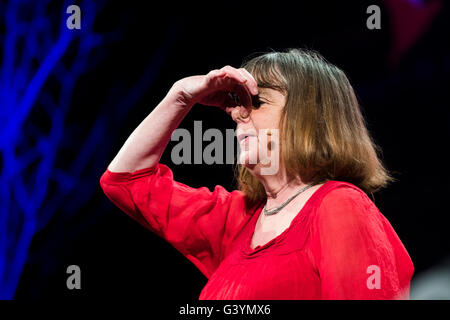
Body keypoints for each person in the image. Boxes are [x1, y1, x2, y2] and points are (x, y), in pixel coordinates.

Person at [100, 48, 414, 299]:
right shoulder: (236, 219)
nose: (237, 113)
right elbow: (125, 181)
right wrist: (181, 95)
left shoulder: (340, 205)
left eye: (257, 101)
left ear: (308, 117)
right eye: (237, 103)